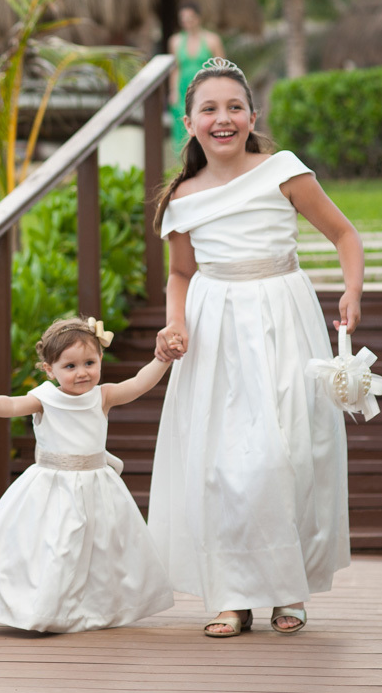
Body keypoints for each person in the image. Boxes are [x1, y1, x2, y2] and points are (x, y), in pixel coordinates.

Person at [148, 58, 364, 638]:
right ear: (188, 123)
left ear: (252, 115)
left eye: (234, 107)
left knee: (291, 451)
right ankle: (231, 593)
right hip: (216, 325)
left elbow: (344, 233)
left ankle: (287, 591)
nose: (223, 119)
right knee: (225, 461)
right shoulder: (183, 199)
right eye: (209, 110)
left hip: (282, 315)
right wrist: (176, 325)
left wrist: (351, 288)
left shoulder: (282, 172)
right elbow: (181, 275)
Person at [0, 316, 179, 633]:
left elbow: (139, 384)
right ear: (50, 369)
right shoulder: (44, 398)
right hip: (52, 486)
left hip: (96, 486)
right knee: (56, 548)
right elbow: (11, 405)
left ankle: (94, 608)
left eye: (89, 362)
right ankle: (45, 609)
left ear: (100, 359)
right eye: (70, 366)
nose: (82, 373)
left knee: (101, 551)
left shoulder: (102, 396)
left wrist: (160, 361)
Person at [167, 2, 225, 152]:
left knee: (204, 123)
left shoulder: (212, 40)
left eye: (190, 17)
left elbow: (222, 68)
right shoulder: (175, 41)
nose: (187, 21)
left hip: (206, 89)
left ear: (198, 18)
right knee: (182, 126)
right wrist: (173, 91)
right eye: (183, 18)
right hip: (183, 90)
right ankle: (184, 163)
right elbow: (175, 68)